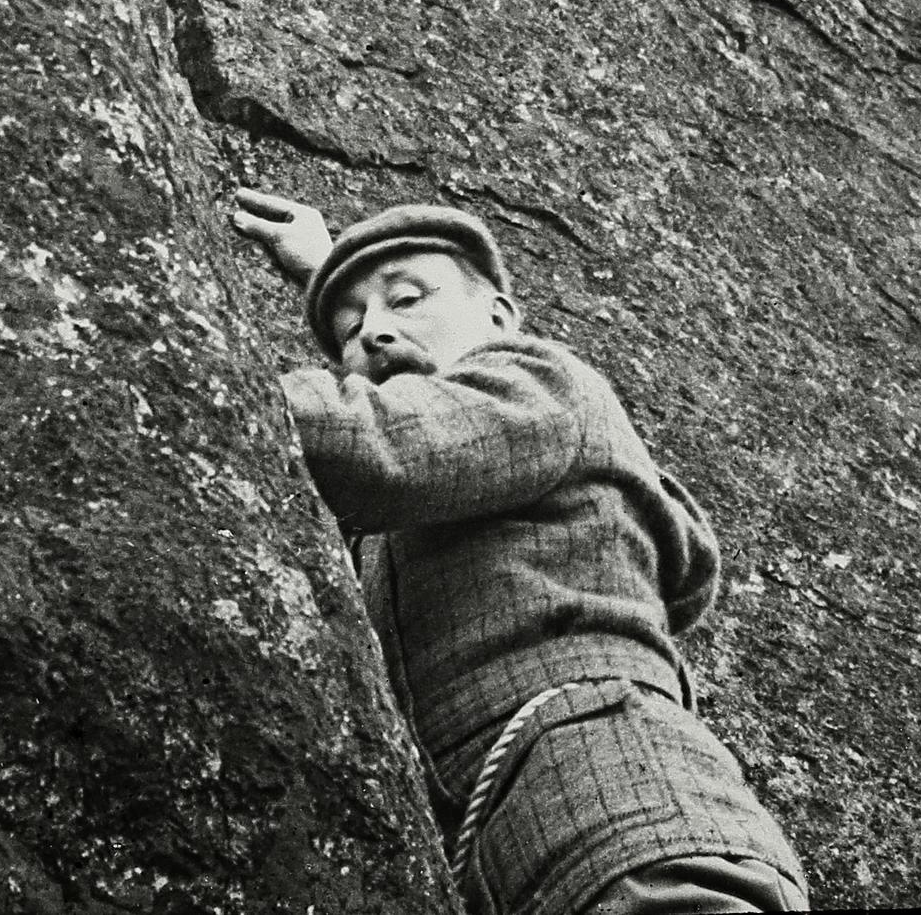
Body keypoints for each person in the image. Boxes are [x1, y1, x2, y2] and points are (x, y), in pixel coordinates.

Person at [232, 190, 809, 915]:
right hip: (485, 834)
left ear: (500, 318)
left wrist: (195, 357)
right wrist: (333, 274)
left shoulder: (542, 385)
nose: (372, 334)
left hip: (609, 788)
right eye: (350, 330)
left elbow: (385, 441)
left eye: (408, 298)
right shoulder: (403, 526)